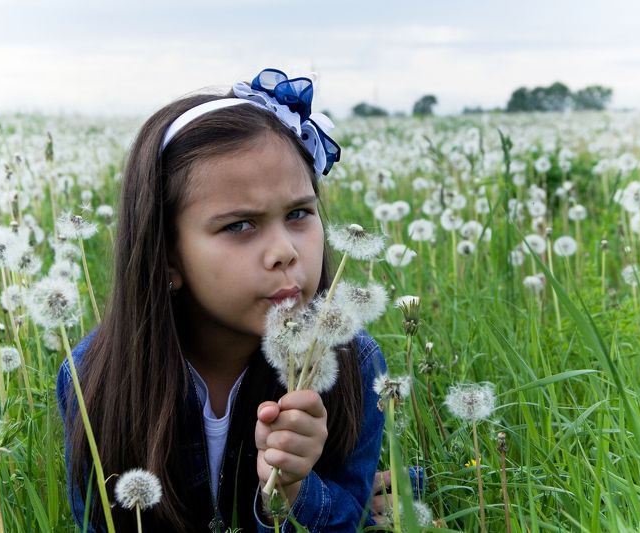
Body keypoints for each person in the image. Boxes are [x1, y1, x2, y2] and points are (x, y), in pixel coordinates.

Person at [56, 68, 390, 532]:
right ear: (167, 255)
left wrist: (293, 490)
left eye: (298, 213)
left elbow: (345, 518)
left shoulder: (354, 362)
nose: (285, 252)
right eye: (239, 225)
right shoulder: (95, 375)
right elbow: (100, 522)